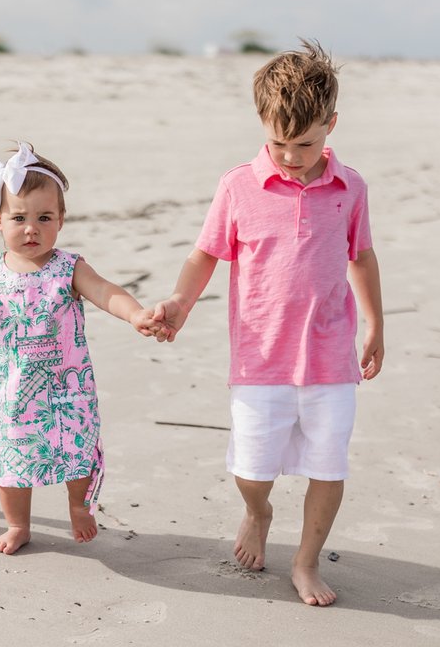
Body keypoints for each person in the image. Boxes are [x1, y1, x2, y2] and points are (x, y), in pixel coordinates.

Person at [152, 39, 384, 606]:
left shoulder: (350, 188)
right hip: (261, 358)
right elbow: (205, 255)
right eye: (279, 142)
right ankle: (258, 512)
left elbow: (361, 256)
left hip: (331, 357)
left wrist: (375, 324)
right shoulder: (239, 185)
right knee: (253, 470)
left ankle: (305, 562)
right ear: (262, 124)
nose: (291, 156)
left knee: (328, 467)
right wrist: (180, 302)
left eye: (305, 144)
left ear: (331, 125)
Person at [0, 142, 159, 555]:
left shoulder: (68, 267)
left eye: (44, 218)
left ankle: (79, 506)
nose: (31, 229)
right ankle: (18, 524)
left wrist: (134, 314)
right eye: (19, 218)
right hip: (11, 393)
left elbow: (105, 292)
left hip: (67, 390)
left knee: (77, 451)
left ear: (61, 220)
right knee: (11, 462)